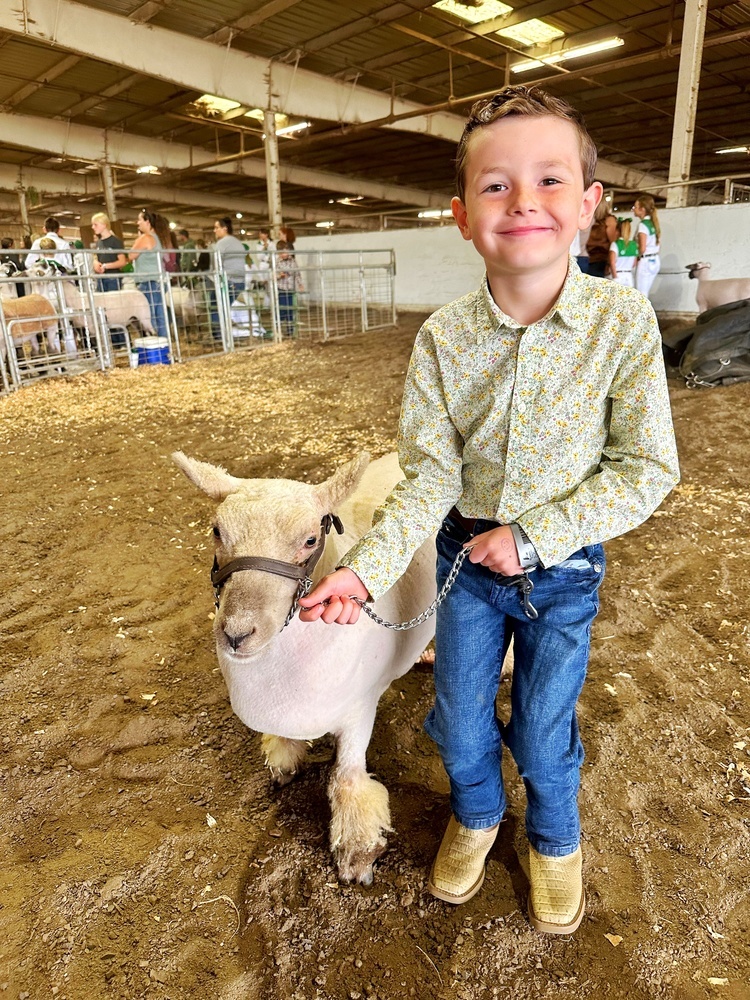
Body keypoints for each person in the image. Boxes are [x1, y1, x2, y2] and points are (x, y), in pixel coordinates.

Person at [298, 84, 679, 936]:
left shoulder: (621, 323)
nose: (524, 201)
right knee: (457, 718)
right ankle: (476, 814)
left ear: (588, 207)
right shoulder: (442, 338)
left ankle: (554, 840)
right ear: (463, 215)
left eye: (549, 180)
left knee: (544, 732)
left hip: (565, 571)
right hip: (464, 567)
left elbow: (647, 468)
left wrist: (538, 535)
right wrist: (362, 570)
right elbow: (428, 475)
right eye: (496, 185)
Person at [128, 209, 168, 339]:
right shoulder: (158, 237)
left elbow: (130, 255)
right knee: (160, 315)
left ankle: (155, 344)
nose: (138, 222)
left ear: (147, 222)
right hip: (158, 281)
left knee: (149, 316)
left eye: (140, 219)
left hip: (148, 282)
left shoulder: (145, 238)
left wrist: (137, 240)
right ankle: (164, 344)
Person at [209, 217, 248, 335]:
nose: (214, 230)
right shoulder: (237, 242)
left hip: (228, 281)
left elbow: (216, 263)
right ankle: (226, 334)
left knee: (216, 307)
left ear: (224, 228)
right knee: (225, 307)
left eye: (216, 228)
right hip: (239, 281)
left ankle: (219, 336)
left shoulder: (222, 243)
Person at [633, 194, 661, 298]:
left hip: (645, 262)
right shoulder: (654, 223)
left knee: (641, 294)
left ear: (642, 209)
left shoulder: (643, 225)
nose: (633, 210)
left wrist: (636, 256)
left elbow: (642, 248)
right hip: (655, 260)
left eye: (635, 207)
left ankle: (643, 314)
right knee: (645, 293)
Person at [90, 212, 126, 291]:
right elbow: (96, 257)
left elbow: (122, 261)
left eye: (96, 225)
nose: (93, 227)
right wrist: (96, 263)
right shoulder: (99, 242)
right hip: (101, 277)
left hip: (113, 278)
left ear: (104, 225)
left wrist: (106, 266)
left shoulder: (115, 241)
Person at [274, 240, 301, 337]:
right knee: (282, 310)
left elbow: (297, 273)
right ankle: (278, 329)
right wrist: (279, 275)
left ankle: (291, 330)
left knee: (290, 310)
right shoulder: (276, 262)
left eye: (286, 251)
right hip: (281, 289)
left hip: (290, 289)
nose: (285, 254)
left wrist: (300, 284)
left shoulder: (292, 261)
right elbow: (273, 275)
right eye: (283, 252)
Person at [585, 200, 617, 278]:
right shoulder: (609, 221)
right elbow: (613, 244)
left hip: (592, 259)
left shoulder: (587, 220)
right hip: (600, 260)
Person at [607, 217, 639, 286]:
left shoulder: (615, 244)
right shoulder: (634, 244)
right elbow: (634, 263)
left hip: (617, 275)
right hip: (629, 276)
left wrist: (615, 277)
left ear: (617, 231)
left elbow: (612, 263)